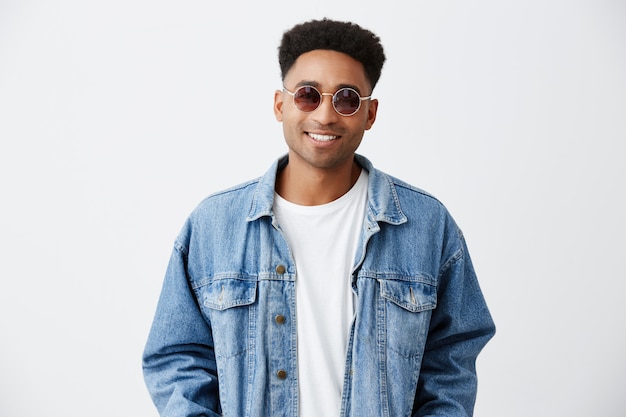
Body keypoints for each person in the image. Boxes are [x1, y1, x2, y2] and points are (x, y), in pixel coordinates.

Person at [142, 18, 495, 417]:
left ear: (370, 113)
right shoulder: (214, 226)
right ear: (280, 104)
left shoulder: (426, 225)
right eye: (308, 95)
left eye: (346, 99)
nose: (326, 115)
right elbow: (177, 359)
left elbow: (452, 362)